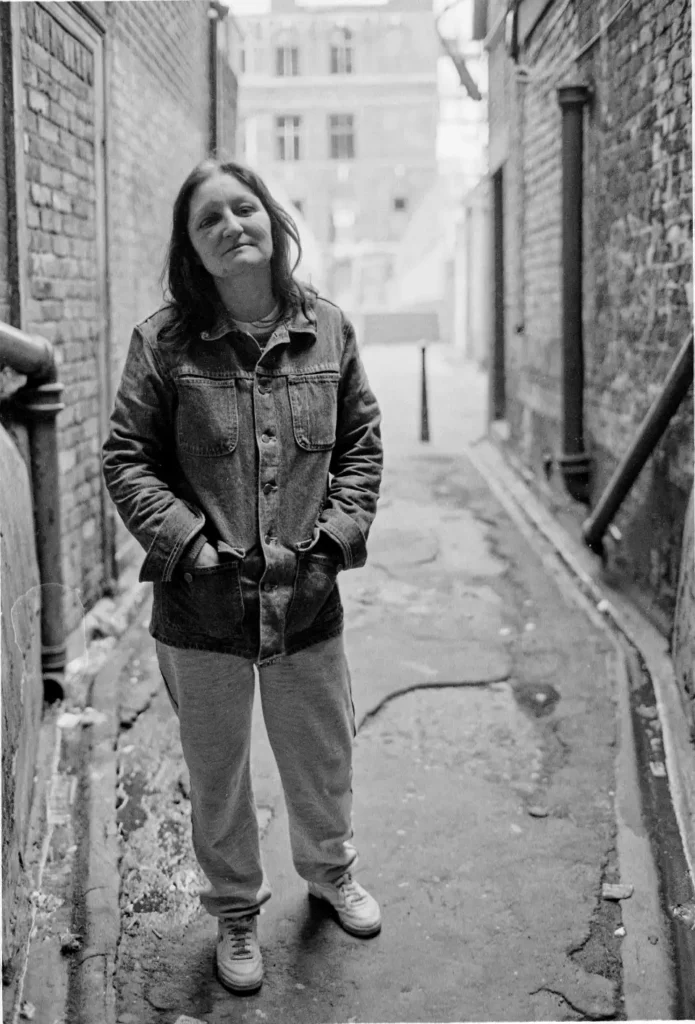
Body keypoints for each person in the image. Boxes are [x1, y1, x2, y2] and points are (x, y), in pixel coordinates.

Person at [102, 158, 383, 994]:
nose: (231, 226)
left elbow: (362, 444)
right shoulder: (162, 344)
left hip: (305, 597)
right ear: (192, 248)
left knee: (320, 752)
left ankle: (330, 872)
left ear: (271, 219)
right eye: (208, 220)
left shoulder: (327, 329)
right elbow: (126, 456)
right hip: (202, 609)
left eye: (243, 207)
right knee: (217, 769)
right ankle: (234, 910)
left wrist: (331, 544)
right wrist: (188, 548)